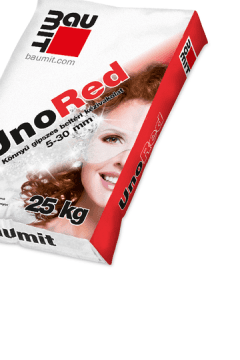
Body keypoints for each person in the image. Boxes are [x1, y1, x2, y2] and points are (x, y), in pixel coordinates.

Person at [21, 63, 167, 240]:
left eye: (148, 148)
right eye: (112, 139)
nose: (125, 160)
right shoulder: (23, 237)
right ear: (84, 144)